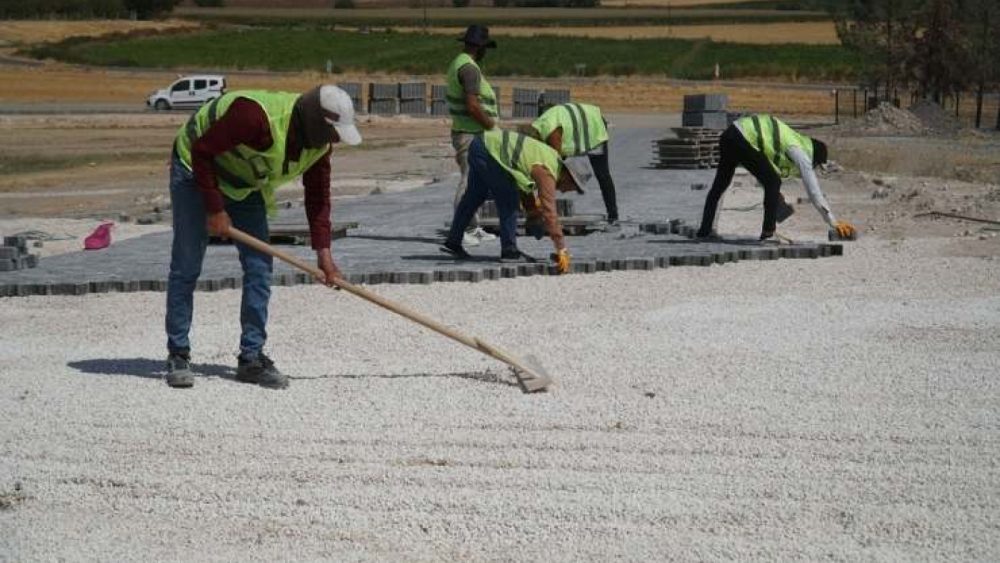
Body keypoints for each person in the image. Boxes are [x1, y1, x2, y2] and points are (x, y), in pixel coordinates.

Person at [164, 85, 362, 390]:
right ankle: (178, 353)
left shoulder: (319, 146)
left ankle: (251, 358)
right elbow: (202, 151)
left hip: (244, 183)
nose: (336, 139)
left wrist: (324, 255)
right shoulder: (254, 116)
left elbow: (318, 197)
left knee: (260, 267)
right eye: (333, 132)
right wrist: (215, 209)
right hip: (195, 169)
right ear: (314, 122)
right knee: (187, 263)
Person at [440, 128, 591, 274]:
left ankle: (453, 242)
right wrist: (561, 248)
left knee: (474, 197)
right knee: (509, 199)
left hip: (480, 145)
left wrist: (533, 214)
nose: (566, 191)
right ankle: (509, 252)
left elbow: (522, 184)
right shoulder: (547, 171)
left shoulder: (548, 159)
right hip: (490, 151)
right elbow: (550, 212)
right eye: (572, 187)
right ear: (568, 176)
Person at [696, 114, 856, 241]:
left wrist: (774, 195)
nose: (813, 168)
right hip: (742, 138)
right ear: (814, 157)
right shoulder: (801, 153)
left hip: (730, 136)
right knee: (774, 181)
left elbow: (761, 167)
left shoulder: (789, 141)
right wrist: (832, 222)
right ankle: (768, 233)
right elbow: (814, 192)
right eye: (816, 165)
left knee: (719, 186)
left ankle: (704, 231)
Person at [446, 24, 500, 247]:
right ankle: (462, 229)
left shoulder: (460, 63)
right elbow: (473, 106)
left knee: (478, 180)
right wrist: (491, 126)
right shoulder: (469, 69)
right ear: (480, 48)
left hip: (468, 131)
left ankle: (473, 226)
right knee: (468, 182)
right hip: (470, 133)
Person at [527, 102, 620, 224]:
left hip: (592, 125)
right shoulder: (538, 134)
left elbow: (554, 168)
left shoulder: (552, 134)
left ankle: (613, 215)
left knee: (602, 174)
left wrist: (540, 198)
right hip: (574, 125)